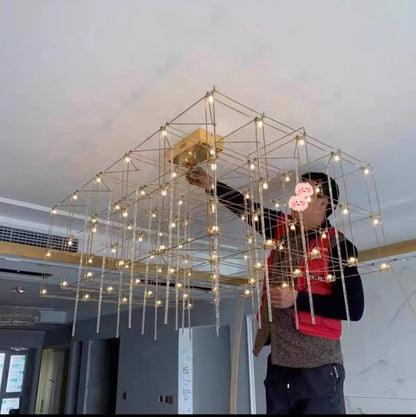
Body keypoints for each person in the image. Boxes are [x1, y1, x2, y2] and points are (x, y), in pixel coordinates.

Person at [186, 166, 364, 415]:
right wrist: (210, 185)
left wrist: (297, 299)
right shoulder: (285, 230)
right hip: (280, 362)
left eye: (303, 194)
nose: (294, 201)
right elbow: (250, 210)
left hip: (319, 366)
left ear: (322, 203)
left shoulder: (339, 246)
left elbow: (354, 309)